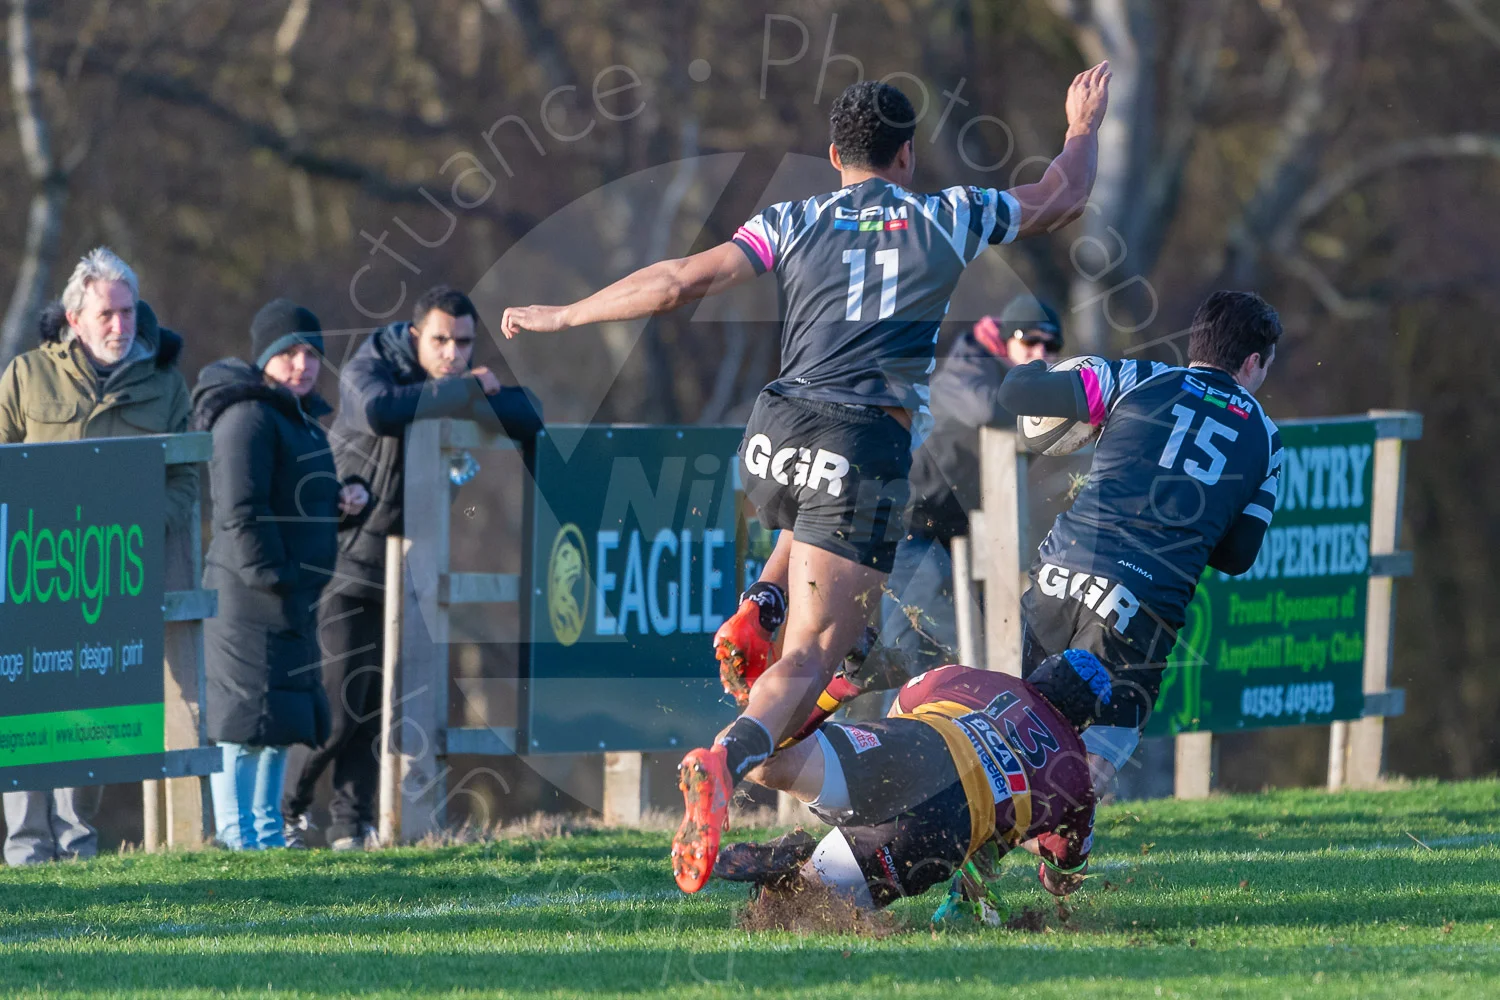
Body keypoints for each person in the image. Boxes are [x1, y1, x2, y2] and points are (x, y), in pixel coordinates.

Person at [502, 65, 1113, 893]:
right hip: (860, 444)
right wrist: (1081, 127)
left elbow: (679, 281)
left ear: (833, 154)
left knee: (813, 550)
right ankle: (727, 757)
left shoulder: (790, 218)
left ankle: (763, 595)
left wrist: (566, 315)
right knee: (820, 653)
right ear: (906, 157)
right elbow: (1060, 197)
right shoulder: (947, 214)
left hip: (774, 434)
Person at [282, 285, 541, 850]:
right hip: (346, 562)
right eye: (442, 340)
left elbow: (529, 413)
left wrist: (479, 393)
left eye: (465, 343)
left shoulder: (453, 385)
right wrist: (459, 392)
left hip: (407, 570)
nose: (453, 353)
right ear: (416, 336)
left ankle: (352, 826)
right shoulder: (370, 366)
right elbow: (379, 411)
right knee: (338, 702)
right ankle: (286, 808)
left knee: (378, 702)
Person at [996, 290, 1284, 787]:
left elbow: (1016, 393)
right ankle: (1059, 854)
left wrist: (1049, 366)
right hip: (1144, 603)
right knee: (1095, 759)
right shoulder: (1266, 438)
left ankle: (983, 831)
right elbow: (1238, 556)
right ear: (1254, 361)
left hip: (1062, 570)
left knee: (1023, 725)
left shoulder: (1134, 378)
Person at [0, 247, 197, 865]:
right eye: (107, 313)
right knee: (30, 713)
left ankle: (78, 846)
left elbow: (186, 478)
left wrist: (141, 529)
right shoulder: (28, 376)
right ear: (75, 316)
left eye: (128, 311)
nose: (121, 325)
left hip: (114, 576)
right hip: (34, 572)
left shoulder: (164, 382)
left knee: (98, 710)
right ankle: (28, 849)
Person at [714, 654, 1105, 910]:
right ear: (1085, 723)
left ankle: (833, 692)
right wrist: (1015, 833)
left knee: (768, 758)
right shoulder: (1076, 777)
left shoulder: (985, 680)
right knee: (793, 909)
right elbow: (1063, 875)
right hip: (945, 825)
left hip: (912, 748)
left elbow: (902, 708)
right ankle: (799, 868)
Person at [192, 300, 369, 849]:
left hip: (290, 596)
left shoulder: (303, 422)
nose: (302, 363)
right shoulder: (247, 417)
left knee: (279, 728)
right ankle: (234, 835)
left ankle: (266, 839)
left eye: (311, 352)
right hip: (249, 598)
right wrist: (277, 576)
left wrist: (344, 504)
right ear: (265, 357)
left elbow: (299, 507)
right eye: (289, 352)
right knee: (241, 728)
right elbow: (239, 512)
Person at [883, 297, 1064, 674]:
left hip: (952, 535)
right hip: (906, 525)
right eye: (1029, 341)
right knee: (941, 646)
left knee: (923, 657)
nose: (1040, 353)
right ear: (1003, 339)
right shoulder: (967, 367)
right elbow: (984, 410)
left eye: (1050, 346)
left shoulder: (1015, 379)